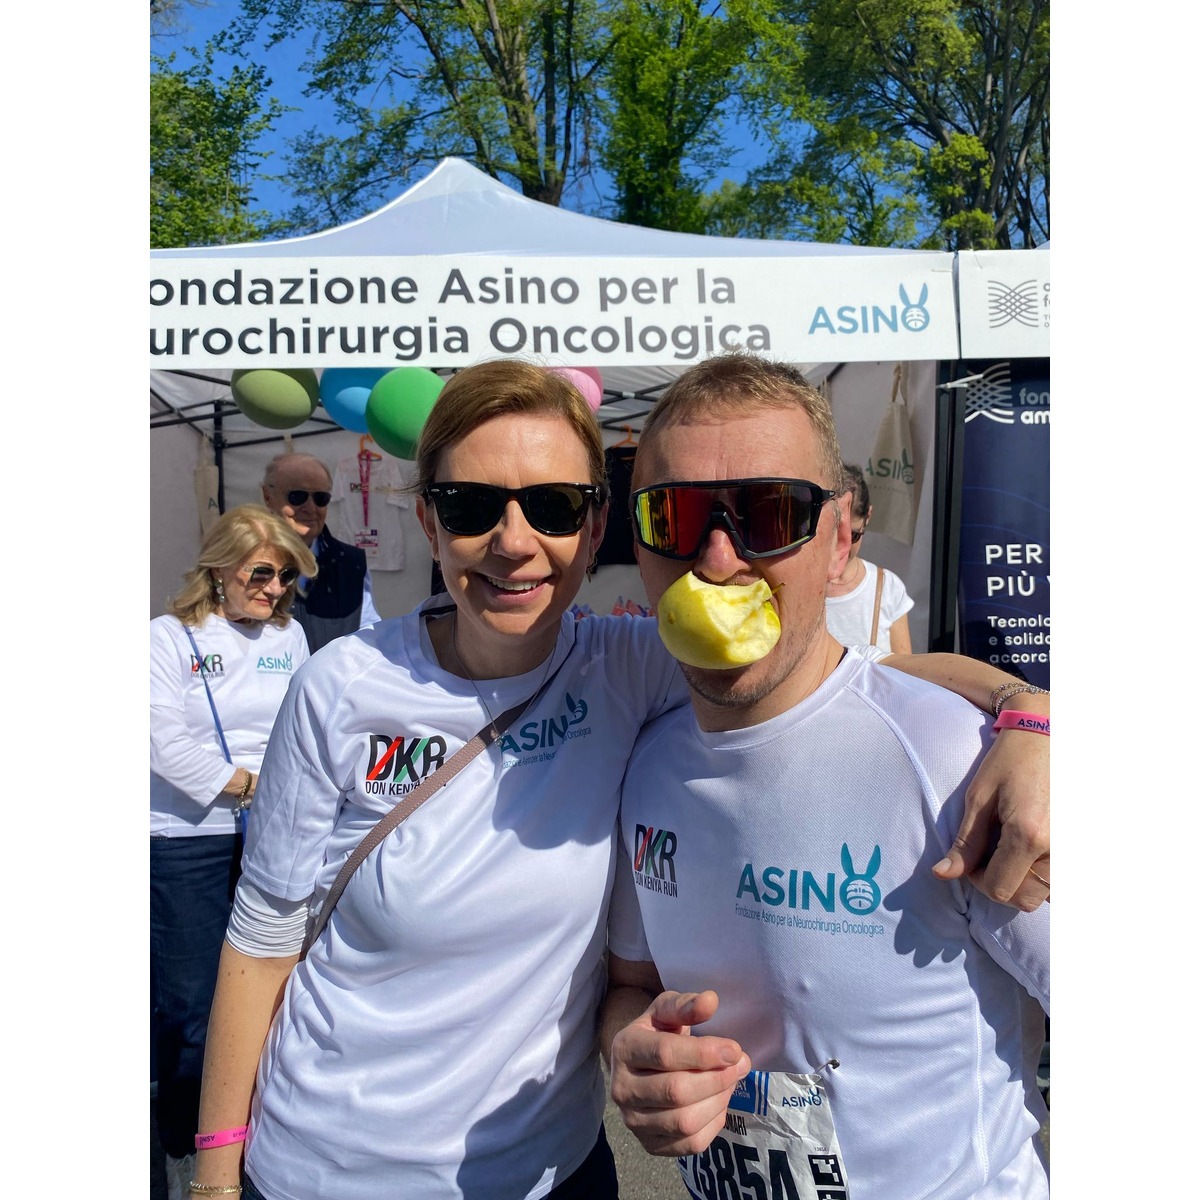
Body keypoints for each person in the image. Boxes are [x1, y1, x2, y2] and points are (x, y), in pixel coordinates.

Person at [191, 359, 1048, 1200]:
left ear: (595, 526)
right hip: (327, 1164)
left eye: (555, 506)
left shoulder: (629, 667)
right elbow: (261, 941)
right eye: (470, 506)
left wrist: (1029, 713)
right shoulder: (344, 686)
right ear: (428, 520)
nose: (513, 541)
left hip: (547, 1171)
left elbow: (839, 673)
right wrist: (215, 1177)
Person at [604, 354, 1050, 1200]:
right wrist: (632, 1054)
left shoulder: (957, 760)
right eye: (676, 515)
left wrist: (1036, 717)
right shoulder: (646, 761)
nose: (719, 559)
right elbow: (633, 983)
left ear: (840, 543)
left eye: (770, 513)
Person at [151, 504, 316, 1200]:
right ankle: (185, 1147)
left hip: (271, 832)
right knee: (191, 1007)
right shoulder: (168, 637)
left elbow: (305, 726)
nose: (275, 589)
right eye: (261, 573)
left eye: (285, 576)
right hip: (188, 837)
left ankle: (253, 1133)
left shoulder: (291, 635)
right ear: (220, 568)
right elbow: (159, 740)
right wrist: (249, 784)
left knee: (274, 993)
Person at [260, 452, 382, 651]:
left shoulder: (351, 564)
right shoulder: (244, 563)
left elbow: (368, 637)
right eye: (297, 496)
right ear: (268, 497)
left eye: (320, 498)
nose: (310, 508)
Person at [825, 462, 914, 653]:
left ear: (868, 517)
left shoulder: (888, 589)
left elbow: (903, 668)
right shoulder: (800, 586)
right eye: (832, 535)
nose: (841, 546)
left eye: (853, 535)